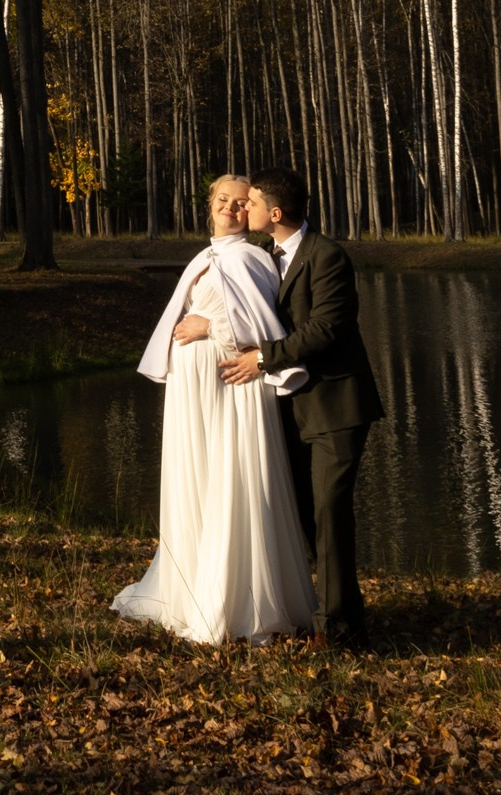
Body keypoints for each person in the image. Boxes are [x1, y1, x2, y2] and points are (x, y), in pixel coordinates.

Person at [110, 173, 316, 645]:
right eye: (223, 199)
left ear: (255, 213)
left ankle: (235, 598)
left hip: (232, 388)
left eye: (242, 203)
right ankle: (190, 586)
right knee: (197, 480)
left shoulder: (251, 258)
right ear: (210, 205)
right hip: (194, 392)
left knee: (230, 480)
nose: (231, 208)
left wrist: (211, 325)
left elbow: (263, 326)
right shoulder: (207, 256)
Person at [218, 167, 385, 649]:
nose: (240, 209)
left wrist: (263, 358)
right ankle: (317, 608)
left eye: (248, 203)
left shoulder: (327, 256)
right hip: (290, 408)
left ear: (274, 213)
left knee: (331, 512)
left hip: (336, 405)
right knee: (303, 514)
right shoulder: (267, 255)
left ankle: (339, 629)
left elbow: (326, 328)